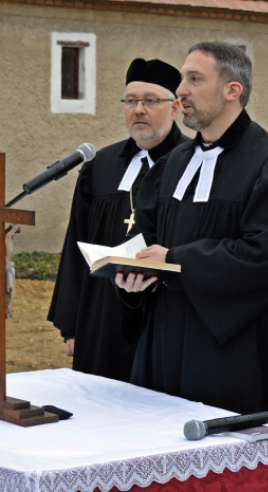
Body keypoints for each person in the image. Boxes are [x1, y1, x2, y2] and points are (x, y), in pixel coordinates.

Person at [115, 42, 268, 428]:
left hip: (232, 351)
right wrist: (131, 274)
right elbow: (146, 238)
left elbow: (265, 257)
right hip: (163, 342)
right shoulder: (172, 164)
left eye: (193, 79)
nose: (181, 89)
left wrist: (175, 261)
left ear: (232, 90)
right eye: (182, 79)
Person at [48, 58, 188, 382]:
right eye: (130, 101)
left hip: (163, 317)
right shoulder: (100, 166)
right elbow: (75, 243)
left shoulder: (192, 165)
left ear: (175, 107)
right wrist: (72, 326)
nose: (138, 110)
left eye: (151, 100)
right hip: (100, 315)